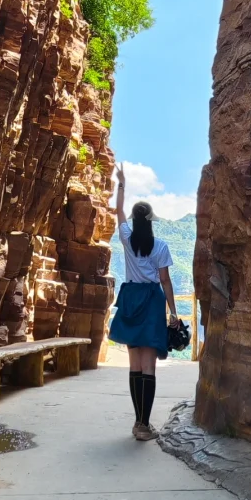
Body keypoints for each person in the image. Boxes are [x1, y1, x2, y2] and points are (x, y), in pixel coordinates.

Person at [109, 164, 179, 440]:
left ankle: (139, 424)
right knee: (149, 367)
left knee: (134, 365)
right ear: (150, 221)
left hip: (130, 299)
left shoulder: (127, 239)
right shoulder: (160, 246)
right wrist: (172, 311)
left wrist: (122, 183)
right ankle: (143, 425)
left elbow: (119, 212)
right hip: (151, 302)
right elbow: (165, 280)